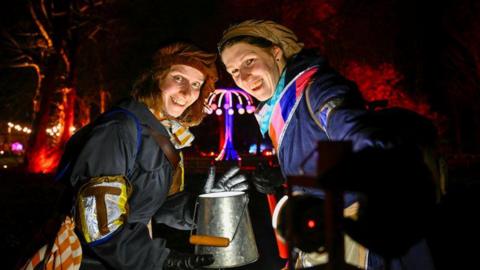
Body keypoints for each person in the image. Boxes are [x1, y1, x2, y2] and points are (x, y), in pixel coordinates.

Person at [218, 20, 442, 270]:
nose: (244, 77)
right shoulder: (279, 105)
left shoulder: (317, 87)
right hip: (316, 234)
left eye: (249, 61)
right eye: (234, 71)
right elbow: (324, 156)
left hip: (353, 241)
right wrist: (283, 176)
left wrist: (375, 149)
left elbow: (348, 127)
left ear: (276, 52)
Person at [28, 42, 248, 270]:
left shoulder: (165, 135)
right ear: (156, 78)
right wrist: (159, 259)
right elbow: (99, 224)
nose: (187, 92)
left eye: (196, 84)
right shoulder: (119, 129)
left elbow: (158, 206)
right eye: (179, 78)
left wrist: (204, 205)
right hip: (86, 262)